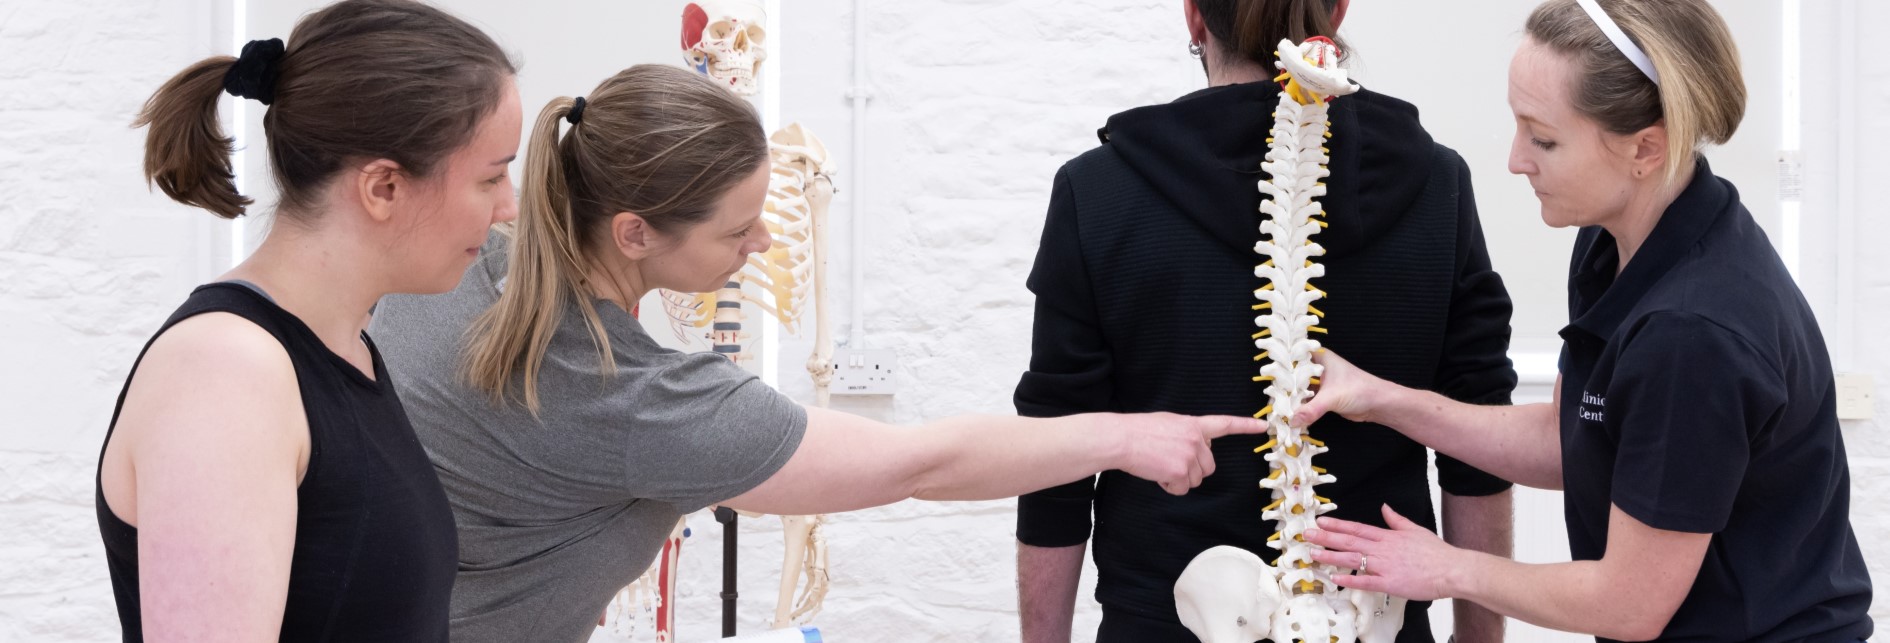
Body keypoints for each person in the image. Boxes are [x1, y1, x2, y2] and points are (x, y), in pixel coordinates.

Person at [366, 63, 1267, 643]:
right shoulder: (633, 398)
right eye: (737, 228)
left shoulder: (461, 265)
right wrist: (1124, 435)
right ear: (634, 231)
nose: (761, 244)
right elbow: (922, 461)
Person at [1297, 1, 1874, 641]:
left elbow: (1628, 604)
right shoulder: (1619, 245)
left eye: (1543, 138)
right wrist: (1382, 401)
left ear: (1645, 148)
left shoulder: (1692, 333)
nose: (1517, 160)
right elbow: (1567, 439)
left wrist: (1447, 568)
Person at [1012, 1, 1518, 641]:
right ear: (1335, 11)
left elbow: (1055, 456)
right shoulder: (1436, 182)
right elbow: (1479, 447)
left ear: (1195, 16)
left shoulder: (1099, 191)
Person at [96, 0, 519, 640]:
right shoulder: (225, 373)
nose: (507, 209)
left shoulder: (348, 349)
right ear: (384, 188)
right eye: (491, 178)